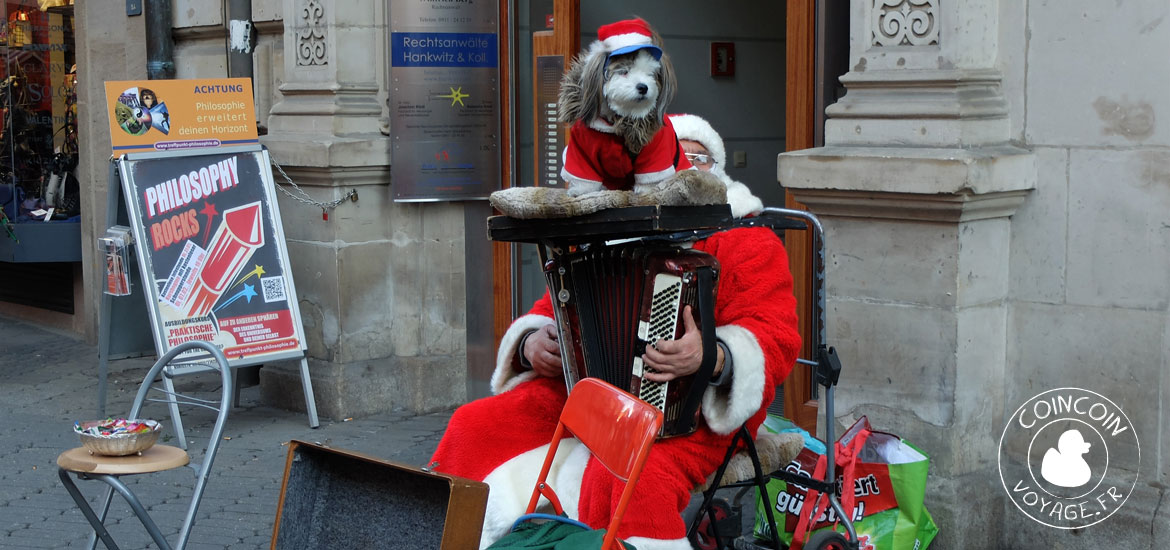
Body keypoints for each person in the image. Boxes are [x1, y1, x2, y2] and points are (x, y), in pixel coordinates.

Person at [430, 114, 801, 549]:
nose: (685, 168)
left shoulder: (746, 240)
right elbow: (552, 307)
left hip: (690, 414)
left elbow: (776, 335)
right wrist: (532, 344)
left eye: (697, 158)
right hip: (585, 396)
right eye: (674, 157)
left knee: (628, 472)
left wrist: (713, 355)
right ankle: (451, 539)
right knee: (474, 425)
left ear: (716, 168)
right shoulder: (612, 231)